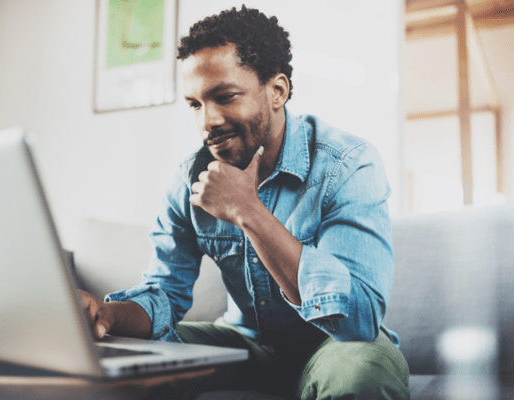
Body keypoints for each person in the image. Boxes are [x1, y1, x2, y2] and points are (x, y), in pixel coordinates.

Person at [80, 5, 409, 399]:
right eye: (195, 104)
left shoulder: (348, 164)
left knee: (360, 371)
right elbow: (165, 293)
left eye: (225, 97)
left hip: (334, 344)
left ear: (278, 91)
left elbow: (358, 318)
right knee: (129, 359)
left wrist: (248, 211)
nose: (207, 121)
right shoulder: (190, 180)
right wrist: (107, 315)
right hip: (245, 343)